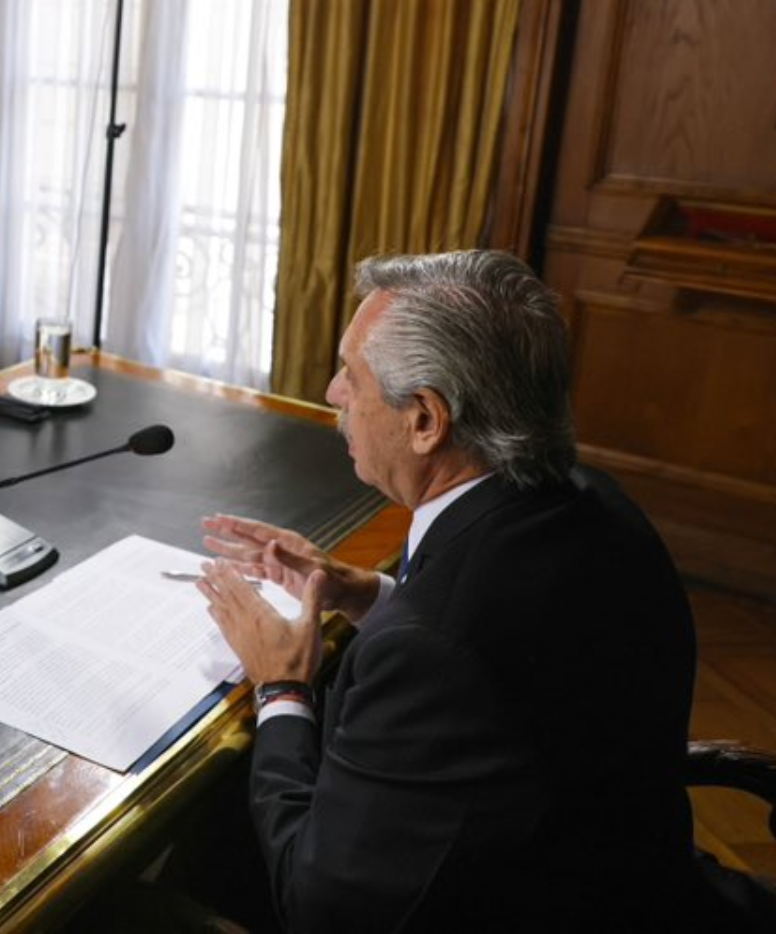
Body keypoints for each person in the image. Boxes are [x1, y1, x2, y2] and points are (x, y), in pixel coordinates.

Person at [195, 250, 716, 932]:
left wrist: (283, 687)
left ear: (425, 421)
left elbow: (319, 909)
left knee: (201, 846)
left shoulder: (430, 655)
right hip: (630, 878)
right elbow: (501, 650)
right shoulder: (595, 502)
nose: (332, 392)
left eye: (352, 375)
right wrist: (369, 595)